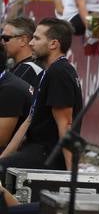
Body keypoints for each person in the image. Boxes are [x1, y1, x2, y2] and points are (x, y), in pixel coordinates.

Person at [0, 18, 82, 171]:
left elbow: (66, 125)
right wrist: (3, 158)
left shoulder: (60, 73)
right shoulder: (51, 71)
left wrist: (72, 177)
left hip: (48, 155)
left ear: (53, 44)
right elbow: (29, 121)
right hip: (35, 151)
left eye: (37, 38)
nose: (31, 43)